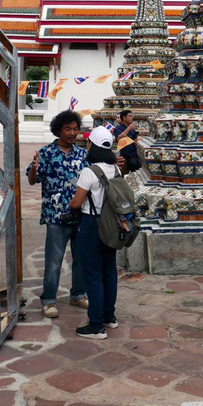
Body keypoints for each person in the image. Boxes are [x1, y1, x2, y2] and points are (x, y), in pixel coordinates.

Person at [27, 110, 89, 319]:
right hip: (56, 216)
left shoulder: (82, 155)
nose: (72, 133)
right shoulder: (46, 153)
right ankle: (49, 300)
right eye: (68, 129)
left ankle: (78, 294)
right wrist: (35, 169)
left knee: (81, 258)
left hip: (81, 214)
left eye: (75, 129)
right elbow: (32, 180)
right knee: (54, 261)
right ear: (58, 130)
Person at [69, 126, 120, 339]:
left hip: (91, 224)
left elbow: (76, 203)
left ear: (94, 146)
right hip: (111, 225)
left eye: (89, 142)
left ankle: (96, 325)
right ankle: (110, 317)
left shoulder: (90, 172)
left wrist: (72, 202)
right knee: (109, 271)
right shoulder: (115, 170)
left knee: (92, 275)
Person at [112, 109, 141, 174]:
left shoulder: (131, 128)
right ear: (124, 118)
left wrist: (136, 140)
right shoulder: (118, 128)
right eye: (129, 116)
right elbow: (118, 138)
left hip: (133, 154)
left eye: (132, 116)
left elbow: (134, 138)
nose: (132, 118)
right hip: (124, 155)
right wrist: (128, 129)